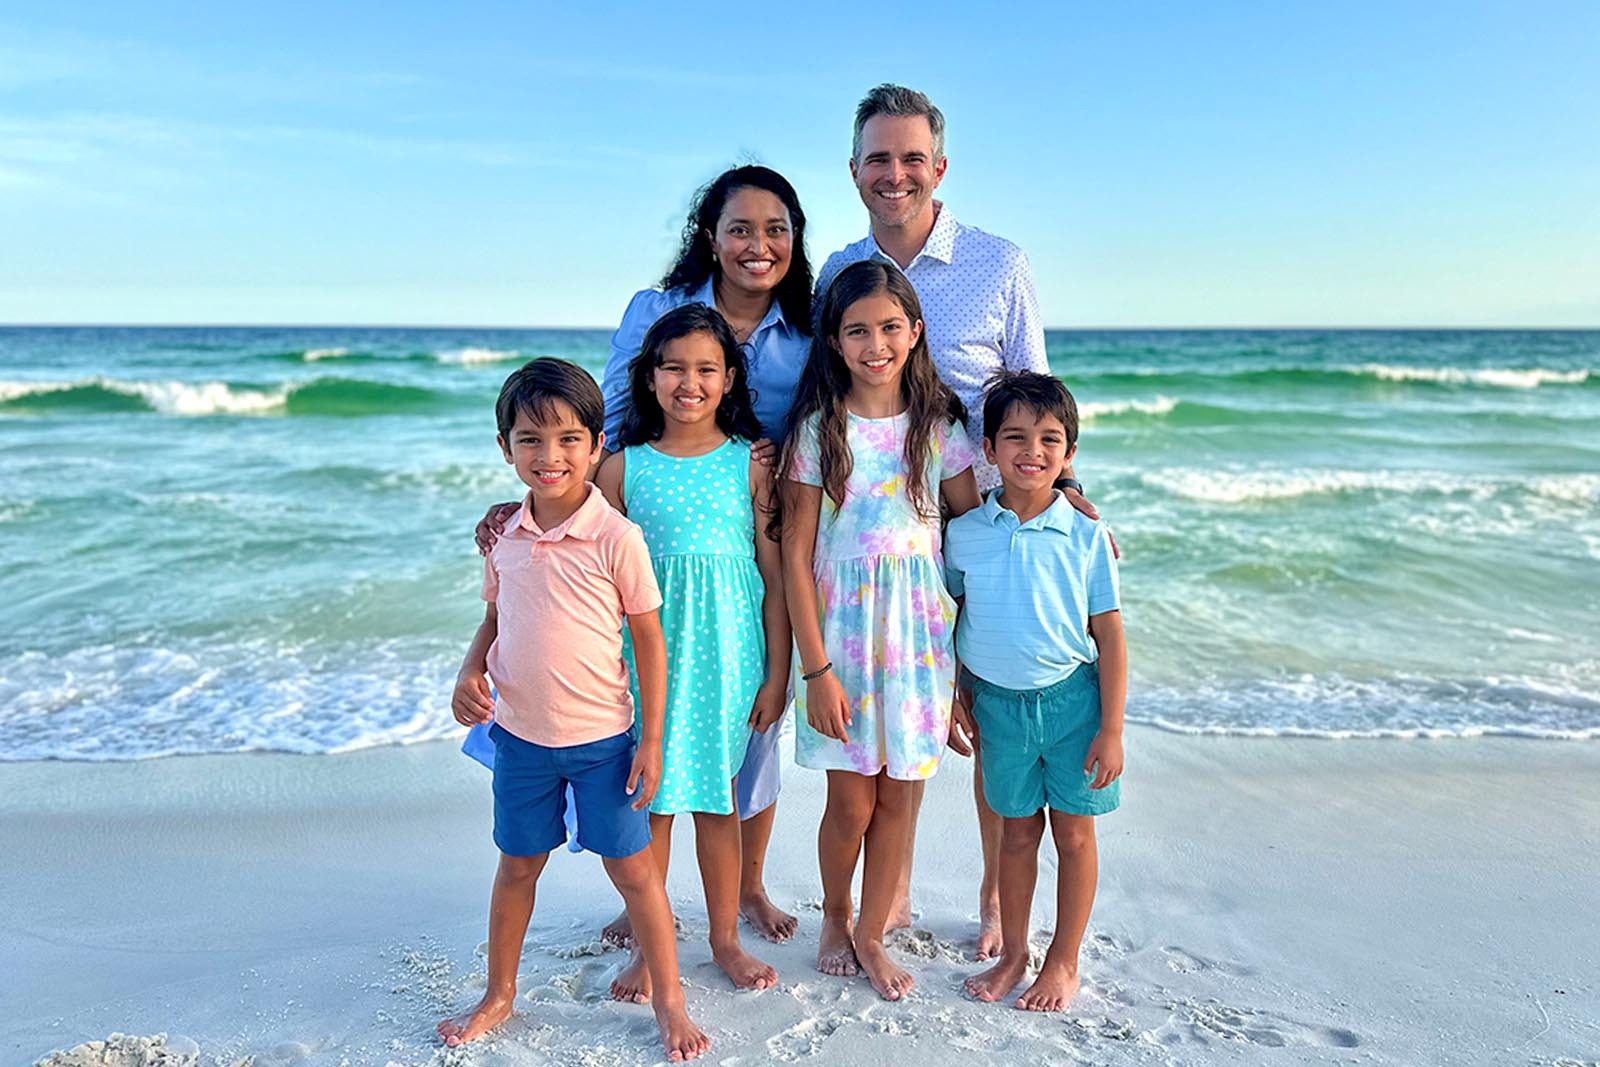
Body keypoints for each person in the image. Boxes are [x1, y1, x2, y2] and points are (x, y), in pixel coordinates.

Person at [475, 165, 814, 944]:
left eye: (775, 230)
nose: (757, 245)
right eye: (739, 227)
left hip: (744, 576)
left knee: (731, 780)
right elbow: (602, 420)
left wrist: (781, 665)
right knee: (649, 783)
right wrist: (541, 500)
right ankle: (649, 912)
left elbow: (775, 561)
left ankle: (736, 908)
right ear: (710, 233)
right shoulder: (654, 321)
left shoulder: (805, 326)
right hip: (647, 597)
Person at [816, 83, 1100, 960]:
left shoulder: (998, 262)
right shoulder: (837, 271)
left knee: (987, 697)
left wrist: (1065, 494)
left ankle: (993, 893)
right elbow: (821, 396)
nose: (894, 174)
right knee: (907, 711)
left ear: (938, 167)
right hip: (883, 520)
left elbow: (1034, 388)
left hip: (986, 513)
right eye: (878, 159)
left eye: (911, 158)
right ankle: (883, 900)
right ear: (855, 171)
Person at [441, 358, 709, 1061]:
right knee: (517, 864)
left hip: (604, 742)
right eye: (530, 439)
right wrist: (470, 670)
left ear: (595, 445)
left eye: (567, 439)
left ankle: (670, 999)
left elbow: (648, 637)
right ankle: (499, 993)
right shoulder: (505, 536)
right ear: (506, 448)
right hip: (521, 740)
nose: (548, 455)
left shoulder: (617, 537)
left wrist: (651, 739)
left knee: (633, 870)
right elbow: (496, 617)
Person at [774, 260, 980, 1001]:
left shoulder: (939, 426)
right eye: (857, 330)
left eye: (890, 327)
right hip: (845, 647)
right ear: (833, 340)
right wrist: (815, 668)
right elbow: (797, 556)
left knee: (899, 796)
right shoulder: (817, 429)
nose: (875, 343)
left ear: (915, 332)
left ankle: (871, 930)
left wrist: (1061, 508)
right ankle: (836, 912)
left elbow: (974, 527)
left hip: (922, 642)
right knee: (852, 801)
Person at [594, 304, 791, 1000]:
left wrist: (778, 672)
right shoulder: (621, 470)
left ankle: (723, 938)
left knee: (718, 804)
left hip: (730, 661)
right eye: (673, 367)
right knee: (651, 804)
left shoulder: (752, 464)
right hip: (648, 661)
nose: (689, 381)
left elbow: (774, 580)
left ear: (730, 377)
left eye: (706, 368)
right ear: (648, 377)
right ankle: (654, 943)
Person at [944, 371, 1125, 1012]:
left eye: (1051, 439)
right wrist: (956, 691)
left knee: (1074, 835)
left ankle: (1064, 960)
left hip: (1074, 702)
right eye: (1015, 436)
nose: (1033, 450)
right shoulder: (964, 535)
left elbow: (1109, 634)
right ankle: (1016, 952)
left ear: (1069, 454)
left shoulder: (1086, 535)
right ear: (987, 450)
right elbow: (956, 616)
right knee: (1016, 835)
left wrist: (1112, 727)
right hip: (998, 707)